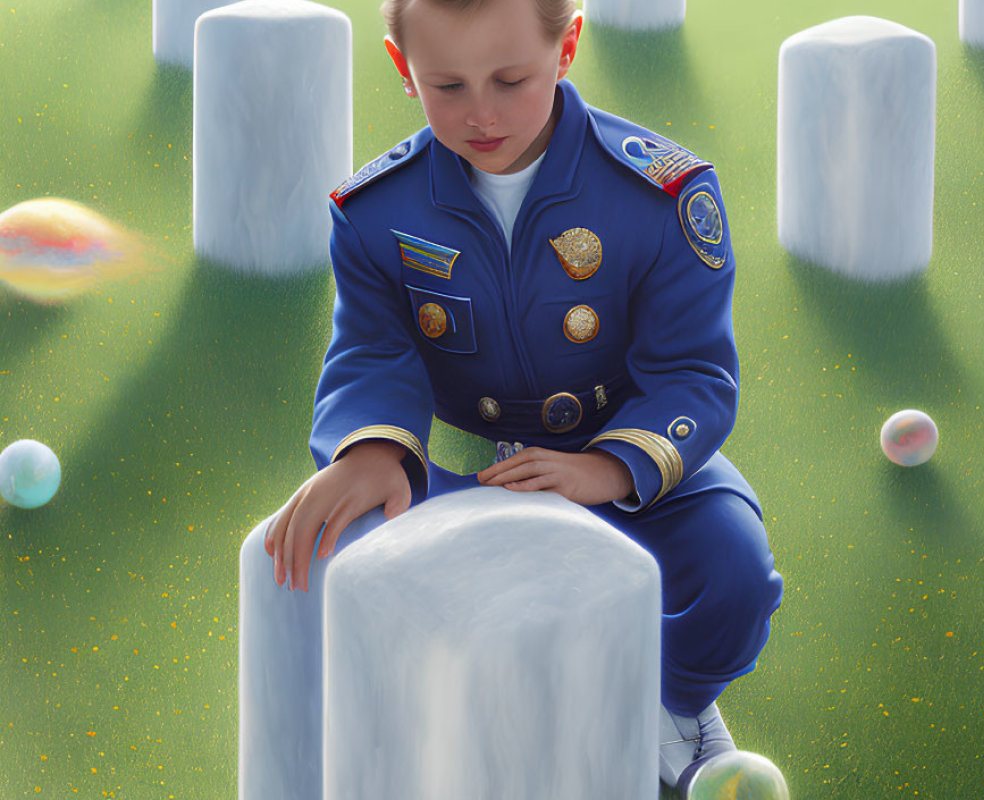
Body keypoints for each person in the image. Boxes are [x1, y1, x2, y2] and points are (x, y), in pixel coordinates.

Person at [263, 0, 784, 793]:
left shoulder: (661, 193)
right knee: (342, 544)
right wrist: (370, 449)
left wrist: (609, 470)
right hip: (463, 471)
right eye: (447, 85)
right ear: (403, 70)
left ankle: (665, 706)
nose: (481, 114)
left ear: (567, 45)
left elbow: (692, 375)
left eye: (511, 79)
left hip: (624, 455)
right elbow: (374, 348)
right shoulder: (375, 213)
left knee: (736, 575)